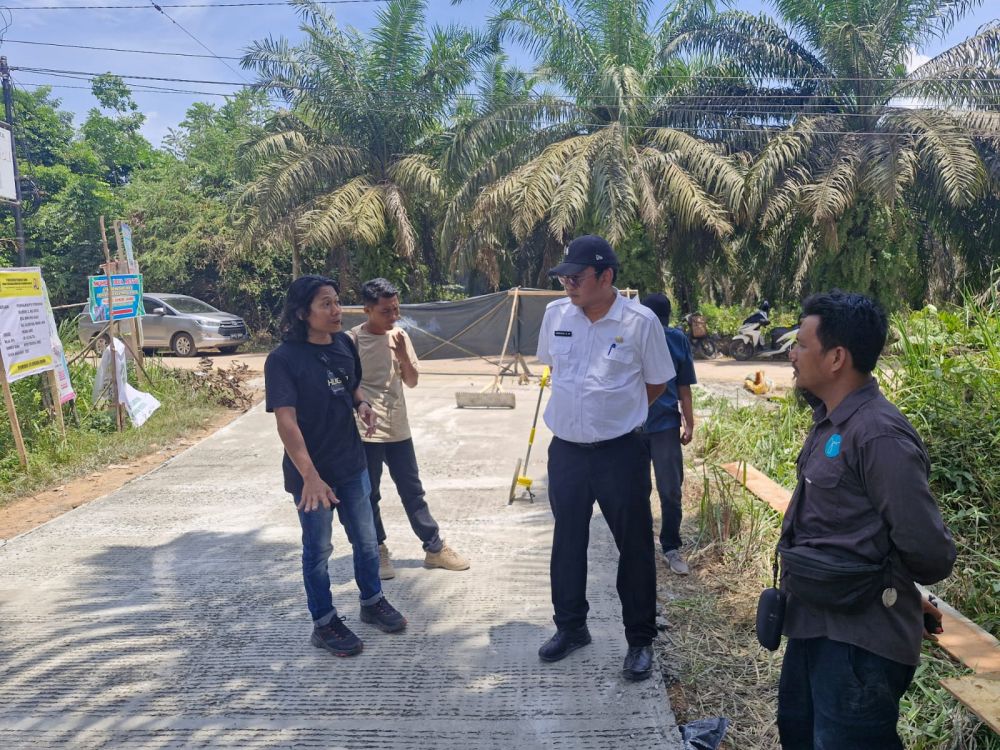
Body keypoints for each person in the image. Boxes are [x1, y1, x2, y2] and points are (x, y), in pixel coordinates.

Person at [778, 290, 956, 748]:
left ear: (837, 357)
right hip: (814, 624)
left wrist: (890, 585)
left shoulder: (877, 434)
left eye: (801, 344)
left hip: (859, 646)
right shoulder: (831, 423)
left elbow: (930, 552)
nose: (792, 354)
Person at [535, 235, 675, 682]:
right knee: (567, 541)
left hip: (620, 452)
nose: (568, 286)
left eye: (576, 278)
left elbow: (655, 385)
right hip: (567, 453)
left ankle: (639, 640)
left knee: (633, 545)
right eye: (564, 279)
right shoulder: (556, 315)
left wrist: (618, 414)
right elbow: (556, 372)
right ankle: (571, 627)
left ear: (606, 276)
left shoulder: (639, 322)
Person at [265, 275, 408, 658]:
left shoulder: (344, 344)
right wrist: (310, 477)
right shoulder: (283, 359)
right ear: (302, 313)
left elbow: (351, 386)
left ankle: (372, 601)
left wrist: (361, 405)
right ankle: (324, 622)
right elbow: (286, 421)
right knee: (318, 549)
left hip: (352, 464)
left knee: (365, 541)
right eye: (325, 304)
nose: (335, 310)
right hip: (311, 476)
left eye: (336, 301)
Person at [349, 278, 469, 577]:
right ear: (367, 310)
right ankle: (377, 551)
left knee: (413, 491)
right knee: (370, 494)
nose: (394, 316)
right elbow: (348, 386)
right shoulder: (351, 341)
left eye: (396, 309)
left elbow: (412, 382)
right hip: (366, 431)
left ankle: (435, 549)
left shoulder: (400, 335)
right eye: (386, 311)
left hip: (398, 428)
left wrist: (402, 355)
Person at [638, 293, 697, 575]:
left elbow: (683, 386)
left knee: (669, 489)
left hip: (664, 425)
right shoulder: (631, 337)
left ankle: (671, 546)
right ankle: (642, 546)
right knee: (641, 490)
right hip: (634, 427)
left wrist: (689, 422)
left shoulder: (676, 340)